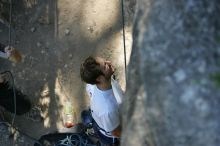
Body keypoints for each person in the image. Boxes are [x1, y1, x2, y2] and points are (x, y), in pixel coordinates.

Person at [80, 56, 122, 145]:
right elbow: (115, 132)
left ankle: (92, 126)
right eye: (105, 66)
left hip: (105, 120)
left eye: (106, 61)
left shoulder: (92, 85)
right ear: (99, 78)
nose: (109, 62)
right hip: (110, 137)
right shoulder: (109, 109)